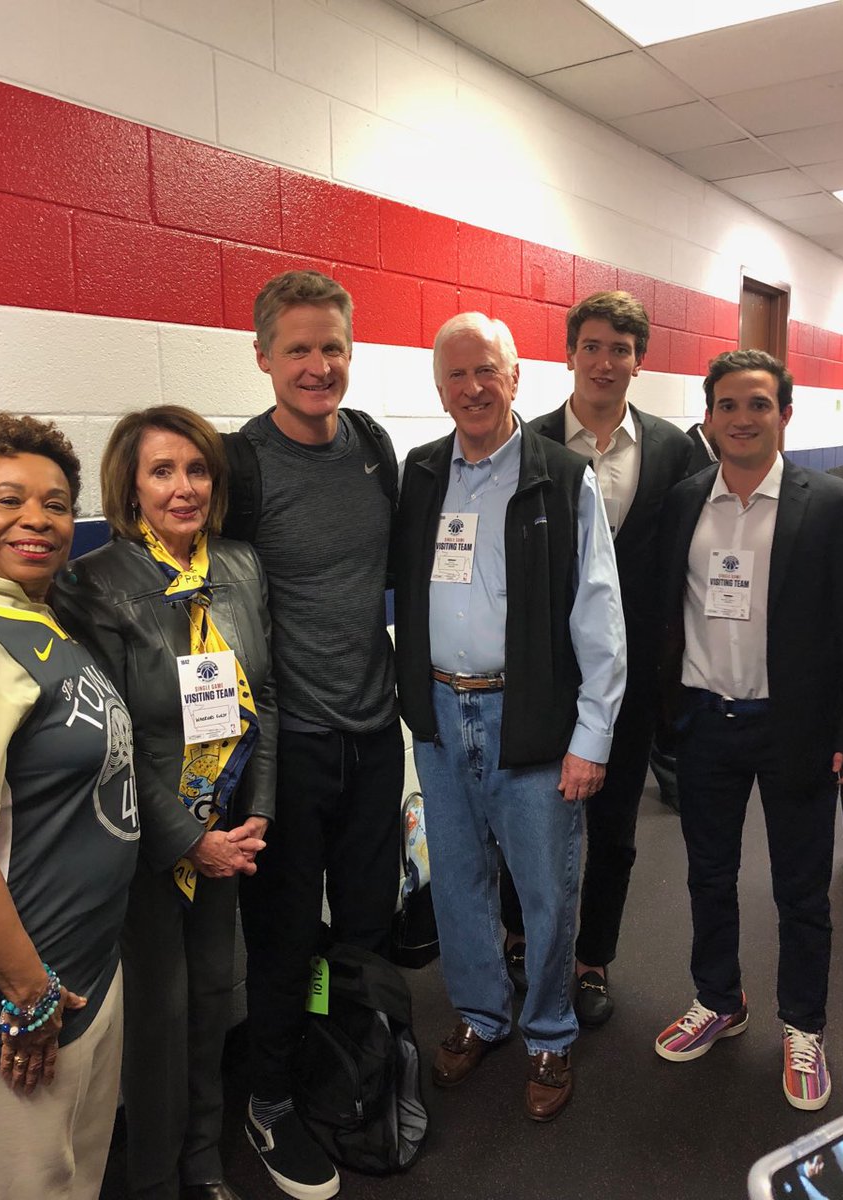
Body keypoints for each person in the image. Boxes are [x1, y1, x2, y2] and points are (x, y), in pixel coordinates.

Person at [394, 312, 626, 1121]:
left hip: (528, 719)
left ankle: (551, 1033)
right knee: (456, 881)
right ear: (440, 388)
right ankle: (483, 1015)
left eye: (486, 370)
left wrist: (590, 738)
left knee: (545, 889)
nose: (472, 388)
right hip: (439, 709)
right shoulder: (422, 474)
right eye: (456, 374)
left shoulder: (563, 478)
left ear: (517, 376)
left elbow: (600, 619)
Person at [53, 406, 276, 1200]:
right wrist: (188, 839)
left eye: (197, 470)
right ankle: (152, 1177)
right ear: (131, 485)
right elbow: (117, 738)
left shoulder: (242, 567)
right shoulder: (96, 583)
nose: (184, 488)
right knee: (158, 1013)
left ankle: (204, 1161)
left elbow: (267, 698)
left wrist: (259, 813)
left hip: (227, 825)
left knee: (215, 997)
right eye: (162, 471)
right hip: (150, 838)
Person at [222, 270, 402, 1199]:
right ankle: (270, 1100)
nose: (317, 365)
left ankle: (342, 1050)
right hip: (288, 744)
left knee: (365, 925)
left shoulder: (373, 446)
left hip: (375, 738)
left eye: (331, 346)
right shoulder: (237, 468)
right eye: (297, 349)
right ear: (263, 357)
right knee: (286, 936)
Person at [0, 414, 139, 1200]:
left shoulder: (36, 619)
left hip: (82, 974)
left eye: (56, 503)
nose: (38, 519)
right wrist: (28, 998)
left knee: (74, 1182)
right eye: (8, 499)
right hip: (15, 1004)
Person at [655, 350, 843, 1111]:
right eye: (728, 405)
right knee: (709, 875)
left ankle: (803, 1025)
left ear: (784, 415)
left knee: (802, 889)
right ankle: (719, 1000)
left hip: (793, 725)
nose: (742, 419)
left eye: (759, 405)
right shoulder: (683, 502)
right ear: (708, 416)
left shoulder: (828, 505)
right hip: (706, 721)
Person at [500, 291, 691, 1023]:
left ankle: (591, 960)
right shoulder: (531, 441)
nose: (605, 361)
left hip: (632, 677)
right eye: (592, 346)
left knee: (612, 827)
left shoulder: (673, 448)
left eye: (621, 348)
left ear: (638, 361)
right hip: (541, 674)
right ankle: (520, 937)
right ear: (570, 353)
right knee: (527, 818)